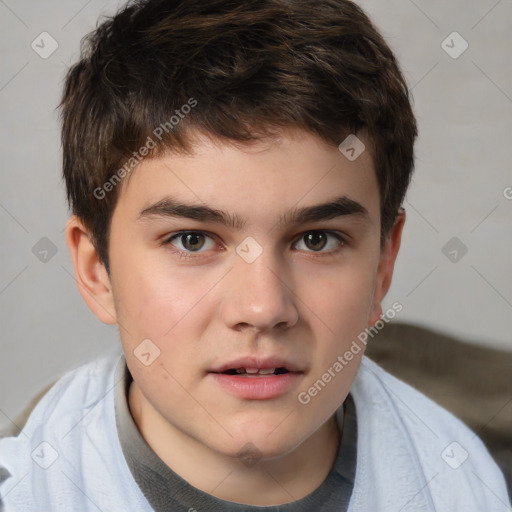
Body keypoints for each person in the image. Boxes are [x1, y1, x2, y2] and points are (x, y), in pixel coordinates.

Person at [0, 0, 510, 510]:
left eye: (317, 239)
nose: (264, 308)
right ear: (97, 273)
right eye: (192, 240)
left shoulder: (466, 485)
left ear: (382, 266)